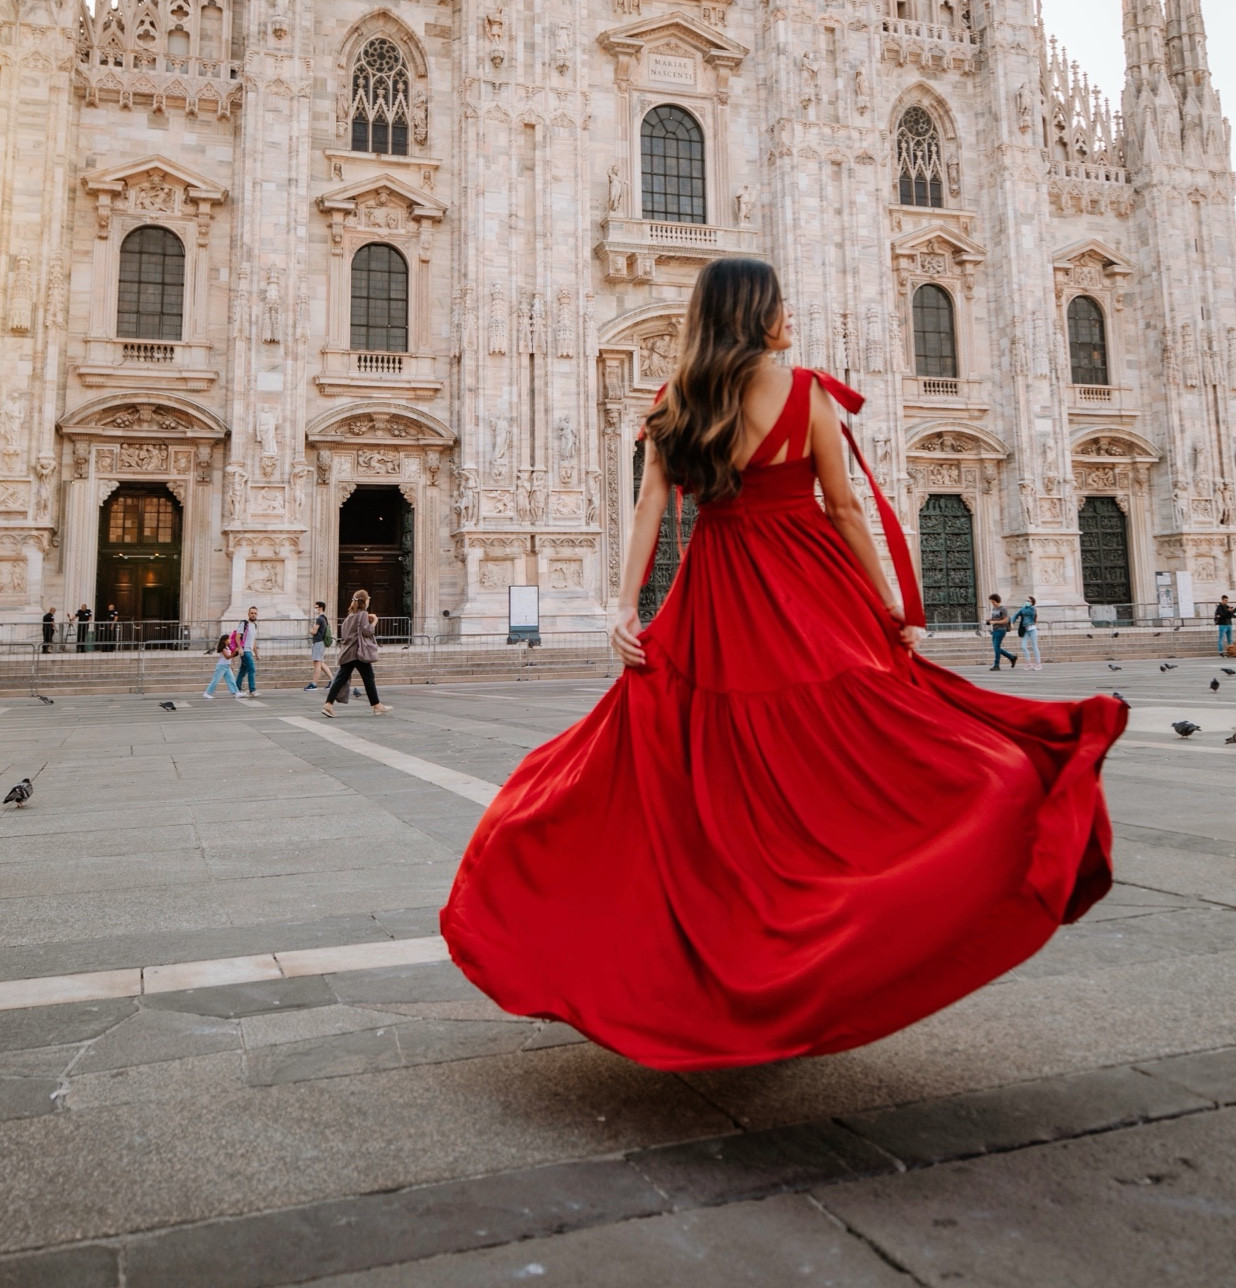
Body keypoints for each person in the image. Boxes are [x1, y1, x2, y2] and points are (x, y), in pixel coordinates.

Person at [442, 257, 1125, 1071]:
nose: (790, 314)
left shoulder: (675, 402)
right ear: (757, 314)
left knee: (699, 769)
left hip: (715, 592)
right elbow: (842, 508)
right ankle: (826, 927)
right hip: (807, 589)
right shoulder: (806, 396)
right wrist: (891, 608)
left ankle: (709, 947)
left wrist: (625, 608)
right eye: (780, 305)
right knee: (868, 740)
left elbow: (650, 507)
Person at [322, 590, 388, 715]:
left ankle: (328, 704)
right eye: (368, 599)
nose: (369, 600)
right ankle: (377, 705)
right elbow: (367, 631)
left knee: (341, 678)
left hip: (348, 652)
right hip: (358, 652)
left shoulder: (350, 616)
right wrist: (374, 621)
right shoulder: (363, 614)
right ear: (364, 601)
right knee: (368, 677)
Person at [204, 631, 242, 700]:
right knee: (216, 680)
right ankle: (207, 693)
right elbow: (227, 657)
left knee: (231, 679)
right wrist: (235, 652)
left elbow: (230, 657)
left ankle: (236, 692)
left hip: (227, 666)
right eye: (229, 639)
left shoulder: (227, 648)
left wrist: (231, 664)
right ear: (225, 641)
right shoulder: (223, 649)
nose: (230, 640)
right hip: (221, 666)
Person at [233, 606, 260, 698]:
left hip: (250, 651)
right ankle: (252, 690)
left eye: (255, 613)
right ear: (248, 614)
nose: (253, 614)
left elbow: (254, 642)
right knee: (251, 669)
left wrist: (257, 653)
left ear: (257, 614)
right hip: (245, 651)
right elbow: (237, 637)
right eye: (251, 613)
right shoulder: (244, 624)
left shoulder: (254, 626)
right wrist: (240, 648)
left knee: (242, 672)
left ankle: (236, 690)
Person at [308, 602, 334, 689]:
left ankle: (314, 684)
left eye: (316, 607)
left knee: (317, 663)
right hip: (321, 642)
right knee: (321, 663)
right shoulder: (324, 618)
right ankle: (332, 680)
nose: (315, 609)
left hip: (318, 642)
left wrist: (309, 630)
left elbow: (314, 631)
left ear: (321, 608)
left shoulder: (319, 619)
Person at [987, 595, 1016, 671]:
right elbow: (994, 618)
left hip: (1001, 629)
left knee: (996, 647)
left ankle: (997, 665)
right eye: (991, 602)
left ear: (997, 601)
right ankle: (1011, 657)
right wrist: (989, 620)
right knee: (996, 648)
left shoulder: (1003, 609)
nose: (992, 603)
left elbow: (1006, 620)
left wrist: (995, 622)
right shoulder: (994, 608)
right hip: (995, 629)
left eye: (993, 602)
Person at [1015, 595, 1042, 672]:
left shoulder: (1032, 609)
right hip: (1026, 630)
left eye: (1028, 601)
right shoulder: (1025, 609)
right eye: (1026, 600)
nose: (1026, 602)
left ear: (1032, 602)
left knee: (1034, 646)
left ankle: (1038, 664)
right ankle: (1029, 662)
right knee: (1023, 646)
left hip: (1032, 629)